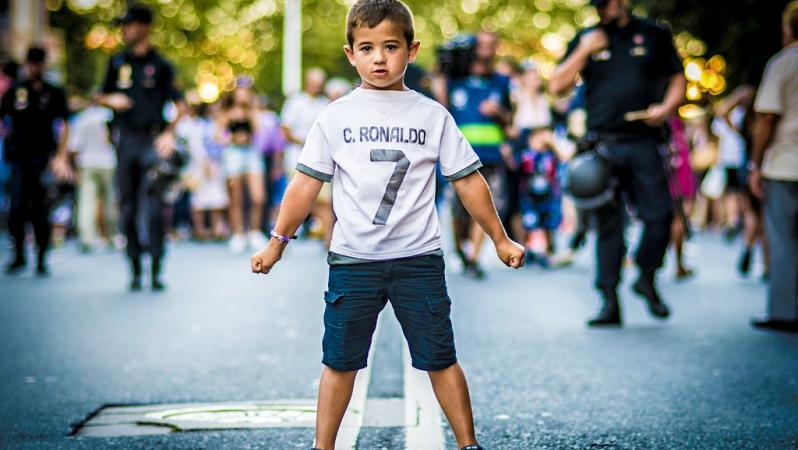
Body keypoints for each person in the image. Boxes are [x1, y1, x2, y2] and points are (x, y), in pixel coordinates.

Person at [250, 1, 525, 448]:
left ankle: (468, 444)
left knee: (440, 358)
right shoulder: (335, 116)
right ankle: (323, 446)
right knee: (340, 362)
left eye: (391, 47)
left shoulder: (432, 114)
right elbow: (304, 185)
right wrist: (276, 243)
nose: (379, 58)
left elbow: (469, 180)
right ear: (350, 54)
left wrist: (500, 238)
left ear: (412, 51)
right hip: (354, 261)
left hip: (418, 259)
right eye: (367, 48)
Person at [549, 0, 686, 326]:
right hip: (603, 145)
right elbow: (556, 86)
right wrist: (584, 50)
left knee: (660, 217)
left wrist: (665, 108)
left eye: (606, 3)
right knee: (608, 226)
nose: (601, 9)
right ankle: (608, 300)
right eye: (596, 5)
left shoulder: (653, 34)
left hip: (645, 141)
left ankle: (646, 275)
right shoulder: (587, 36)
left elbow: (678, 79)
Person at [98, 4, 185, 291]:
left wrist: (169, 134)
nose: (124, 30)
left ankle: (157, 266)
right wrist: (113, 100)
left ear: (144, 27)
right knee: (127, 206)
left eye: (129, 25)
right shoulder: (117, 62)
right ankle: (134, 266)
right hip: (126, 141)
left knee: (155, 207)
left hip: (153, 141)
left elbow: (181, 106)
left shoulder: (161, 65)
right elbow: (99, 95)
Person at [435, 31, 513, 279]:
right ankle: (460, 249)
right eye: (483, 46)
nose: (487, 51)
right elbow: (440, 105)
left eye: (492, 46)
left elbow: (511, 120)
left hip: (490, 155)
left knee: (486, 206)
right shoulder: (455, 79)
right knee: (458, 211)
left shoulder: (501, 82)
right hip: (459, 155)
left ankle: (473, 258)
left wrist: (499, 112)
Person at [749, 0, 798, 332]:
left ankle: (784, 311)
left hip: (786, 162)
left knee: (783, 238)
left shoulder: (783, 63)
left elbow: (767, 116)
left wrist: (755, 163)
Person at [0, 47, 71, 276]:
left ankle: (42, 256)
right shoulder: (16, 90)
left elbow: (65, 124)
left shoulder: (54, 92)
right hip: (19, 158)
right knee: (17, 207)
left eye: (38, 63)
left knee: (41, 208)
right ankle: (19, 254)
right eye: (31, 63)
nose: (34, 68)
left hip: (43, 159)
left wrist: (61, 157)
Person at [215, 80, 267, 252]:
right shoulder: (226, 112)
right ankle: (238, 233)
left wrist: (251, 108)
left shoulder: (253, 111)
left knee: (258, 196)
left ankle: (255, 231)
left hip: (251, 152)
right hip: (233, 153)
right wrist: (232, 138)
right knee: (236, 196)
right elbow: (218, 136)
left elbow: (259, 130)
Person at [68, 95, 119, 252]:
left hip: (87, 163)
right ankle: (112, 235)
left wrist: (75, 168)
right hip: (109, 162)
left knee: (86, 201)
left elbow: (74, 147)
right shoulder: (110, 116)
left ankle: (87, 238)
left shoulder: (82, 118)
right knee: (111, 201)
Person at [178, 93, 228, 241]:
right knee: (197, 198)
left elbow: (214, 143)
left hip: (211, 164)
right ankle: (199, 229)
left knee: (215, 196)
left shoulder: (208, 124)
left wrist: (211, 161)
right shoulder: (184, 124)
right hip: (193, 165)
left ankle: (216, 228)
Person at [518, 128, 563, 267]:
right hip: (530, 196)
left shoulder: (551, 155)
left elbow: (562, 158)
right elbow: (520, 165)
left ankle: (547, 251)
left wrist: (552, 144)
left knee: (547, 223)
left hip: (548, 196)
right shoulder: (527, 155)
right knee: (530, 222)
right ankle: (528, 249)